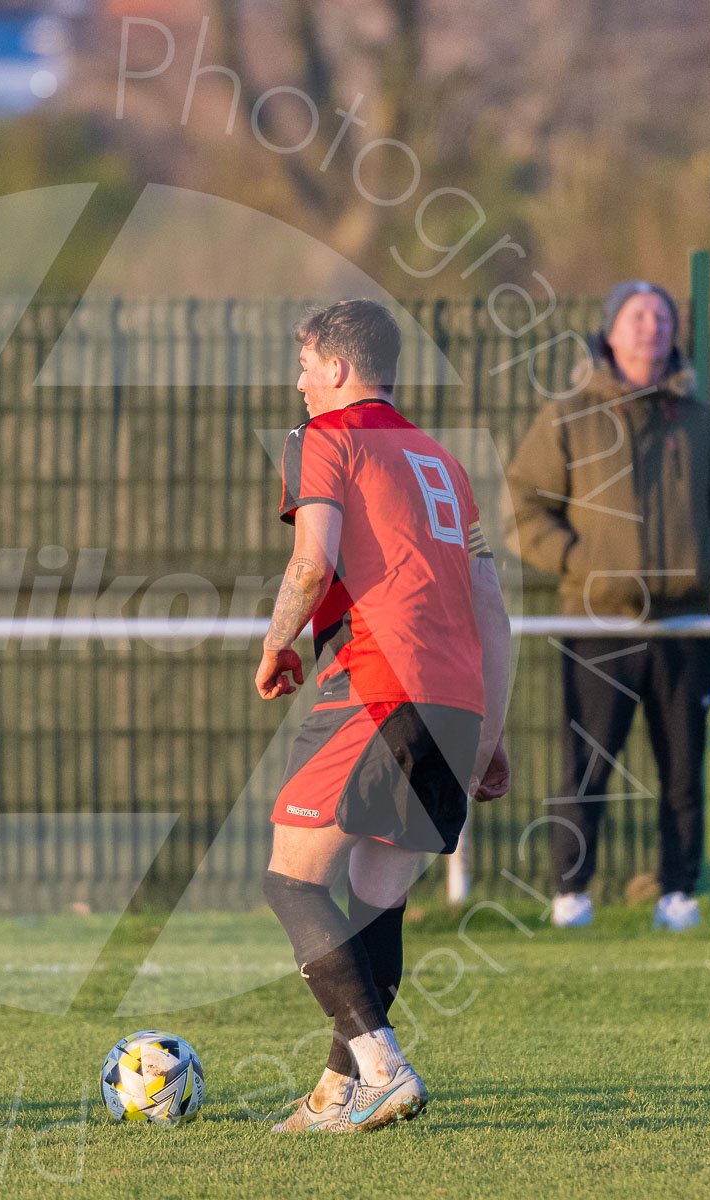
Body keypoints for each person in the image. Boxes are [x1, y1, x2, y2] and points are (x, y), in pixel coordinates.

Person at [257, 299, 512, 1134]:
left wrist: (275, 643)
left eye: (303, 365)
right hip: (457, 701)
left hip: (376, 684)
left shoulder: (324, 439)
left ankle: (384, 1067)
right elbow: (490, 602)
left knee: (291, 878)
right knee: (376, 904)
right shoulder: (442, 459)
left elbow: (311, 560)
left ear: (337, 367)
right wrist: (493, 730)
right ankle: (339, 1093)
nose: (297, 383)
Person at [506, 281, 710, 931]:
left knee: (683, 767)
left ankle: (678, 892)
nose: (653, 328)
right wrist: (581, 561)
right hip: (597, 622)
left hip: (687, 624)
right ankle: (571, 892)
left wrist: (709, 555)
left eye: (663, 317)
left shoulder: (699, 421)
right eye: (638, 316)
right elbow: (524, 505)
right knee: (586, 762)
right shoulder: (569, 416)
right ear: (610, 332)